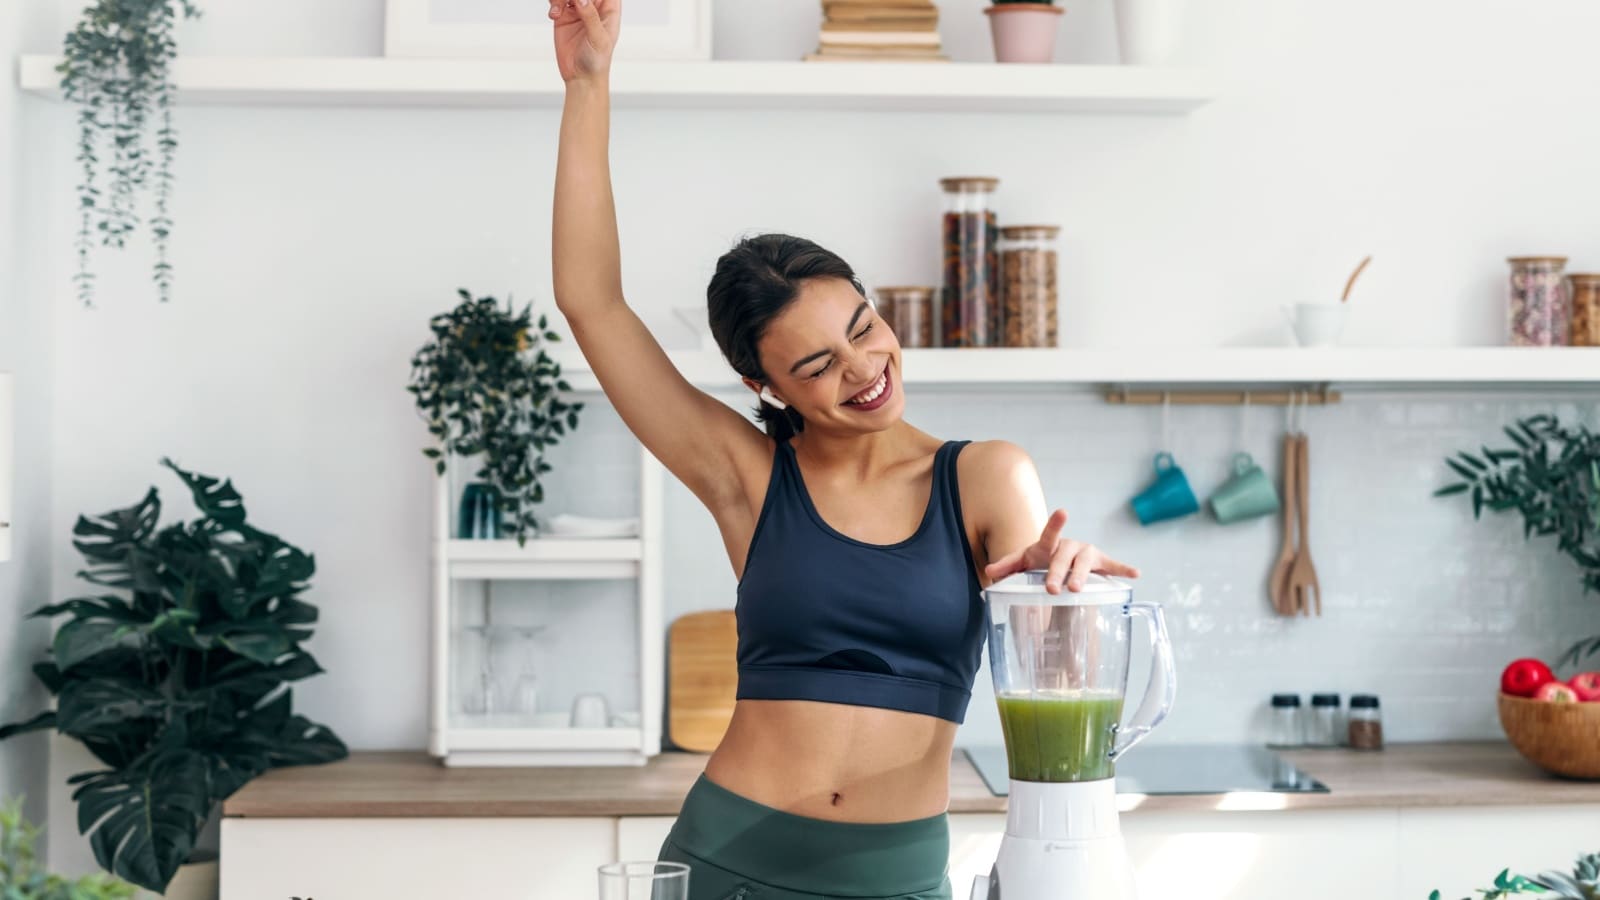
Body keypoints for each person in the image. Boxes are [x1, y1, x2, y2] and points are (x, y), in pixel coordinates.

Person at [548, 1, 1138, 897]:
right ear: (767, 388)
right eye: (819, 365)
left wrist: (1066, 597)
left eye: (865, 329)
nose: (866, 370)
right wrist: (589, 83)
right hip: (726, 861)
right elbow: (592, 302)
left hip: (896, 878)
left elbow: (1064, 702)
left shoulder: (985, 477)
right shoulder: (749, 478)